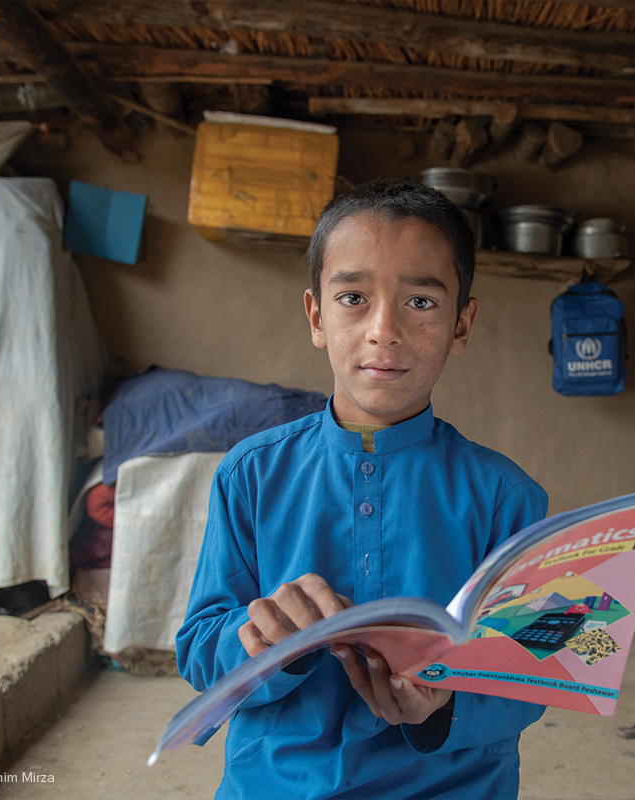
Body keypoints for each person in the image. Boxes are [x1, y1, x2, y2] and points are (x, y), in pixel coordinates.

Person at [177, 179, 548, 800]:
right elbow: (199, 647)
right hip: (276, 785)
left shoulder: (506, 497)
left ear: (463, 323)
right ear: (316, 317)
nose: (384, 329)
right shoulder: (250, 476)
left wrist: (447, 701)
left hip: (453, 785)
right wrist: (266, 642)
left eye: (422, 304)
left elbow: (535, 670)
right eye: (353, 297)